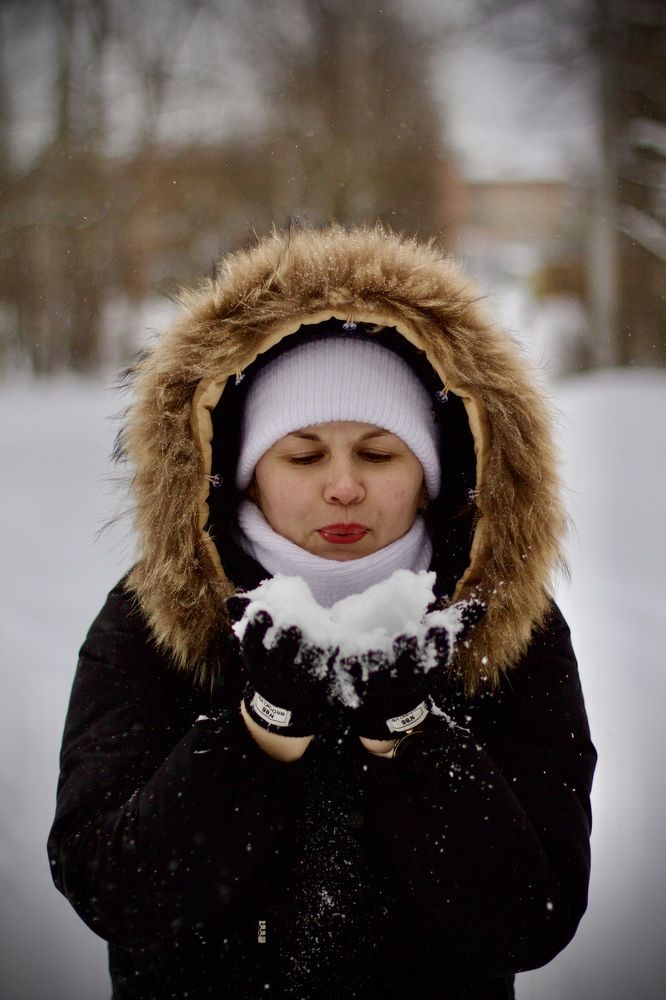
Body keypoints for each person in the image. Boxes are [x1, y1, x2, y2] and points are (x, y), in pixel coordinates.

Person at [48, 224, 596, 1000]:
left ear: (432, 473)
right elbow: (114, 889)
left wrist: (409, 735)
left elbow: (530, 918)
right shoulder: (158, 618)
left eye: (379, 453)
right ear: (245, 473)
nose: (343, 487)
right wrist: (260, 731)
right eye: (303, 455)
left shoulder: (505, 627)